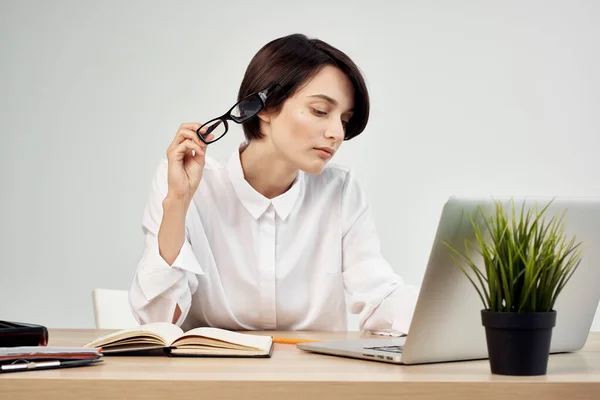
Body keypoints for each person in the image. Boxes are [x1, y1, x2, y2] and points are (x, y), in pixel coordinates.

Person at [129, 33, 420, 333]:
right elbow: (158, 322)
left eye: (344, 120)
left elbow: (378, 292)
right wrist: (177, 203)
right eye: (320, 111)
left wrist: (448, 314)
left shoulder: (340, 191)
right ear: (264, 107)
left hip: (316, 377)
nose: (337, 133)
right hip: (212, 377)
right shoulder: (187, 182)